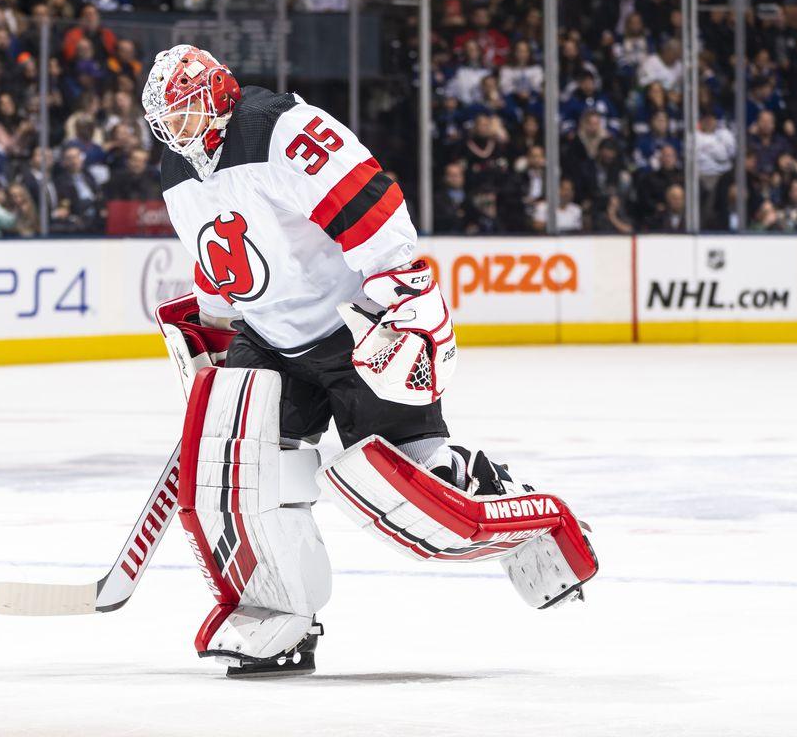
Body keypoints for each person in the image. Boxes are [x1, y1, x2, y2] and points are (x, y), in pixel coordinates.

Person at [141, 45, 597, 677]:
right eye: (168, 118)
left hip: (350, 327)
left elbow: (369, 204)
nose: (177, 129)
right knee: (246, 478)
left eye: (187, 111)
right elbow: (218, 261)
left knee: (414, 481)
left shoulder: (278, 128)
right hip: (269, 338)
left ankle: (526, 515)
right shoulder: (176, 170)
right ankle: (282, 617)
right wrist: (214, 319)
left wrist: (402, 296)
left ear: (218, 94)